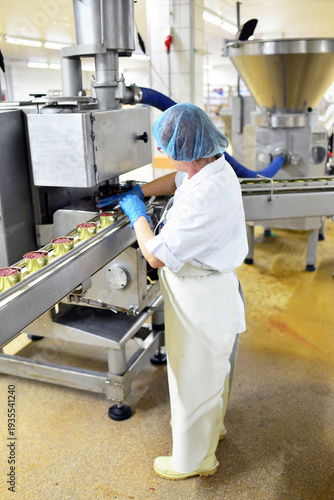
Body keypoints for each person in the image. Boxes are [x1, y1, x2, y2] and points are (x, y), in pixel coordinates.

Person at [97, 103, 248, 480]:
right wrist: (137, 190)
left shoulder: (204, 199)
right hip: (213, 292)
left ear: (184, 149)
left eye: (166, 147)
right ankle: (212, 431)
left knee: (194, 380)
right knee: (213, 373)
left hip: (202, 300)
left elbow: (154, 255)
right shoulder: (213, 168)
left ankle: (194, 461)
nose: (163, 153)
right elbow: (176, 181)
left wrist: (137, 215)